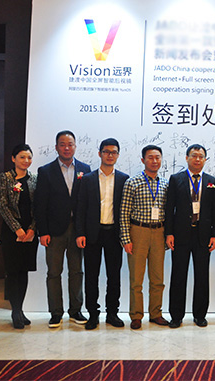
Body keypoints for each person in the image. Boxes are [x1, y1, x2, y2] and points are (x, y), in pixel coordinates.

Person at [34, 130, 91, 328]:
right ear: (56, 147)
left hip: (77, 230)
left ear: (75, 146)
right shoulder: (46, 171)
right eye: (62, 144)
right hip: (54, 231)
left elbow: (86, 203)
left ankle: (76, 311)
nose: (67, 148)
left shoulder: (85, 169)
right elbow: (40, 204)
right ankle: (56, 313)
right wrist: (43, 232)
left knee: (76, 272)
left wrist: (83, 231)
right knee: (53, 273)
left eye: (70, 144)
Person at [75, 138, 129, 330]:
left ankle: (112, 313)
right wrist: (80, 233)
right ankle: (93, 314)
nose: (110, 155)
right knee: (92, 276)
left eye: (114, 152)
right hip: (92, 234)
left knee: (114, 276)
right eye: (106, 152)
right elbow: (80, 208)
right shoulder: (88, 179)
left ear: (118, 155)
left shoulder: (124, 179)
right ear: (100, 154)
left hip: (114, 233)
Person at [164, 144, 215, 328]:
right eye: (194, 156)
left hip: (203, 235)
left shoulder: (212, 181)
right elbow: (169, 208)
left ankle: (200, 315)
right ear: (187, 158)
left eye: (201, 156)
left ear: (205, 160)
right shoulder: (176, 179)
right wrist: (169, 233)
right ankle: (176, 316)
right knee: (178, 275)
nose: (197, 159)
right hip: (180, 235)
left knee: (202, 276)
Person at [119, 144, 170, 330]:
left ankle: (156, 313)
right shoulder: (132, 182)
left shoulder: (165, 184)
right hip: (138, 232)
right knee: (136, 279)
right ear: (143, 160)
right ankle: (136, 315)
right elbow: (124, 213)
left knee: (157, 278)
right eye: (150, 157)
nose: (154, 161)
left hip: (159, 232)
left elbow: (169, 212)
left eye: (157, 157)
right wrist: (126, 239)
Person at [0, 144, 38, 329]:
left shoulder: (35, 179)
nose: (26, 161)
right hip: (11, 232)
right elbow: (3, 206)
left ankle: (20, 309)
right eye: (22, 157)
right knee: (13, 271)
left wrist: (32, 229)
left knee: (24, 271)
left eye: (29, 157)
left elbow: (38, 207)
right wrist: (17, 229)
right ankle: (15, 311)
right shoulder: (5, 178)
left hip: (29, 232)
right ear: (13, 158)